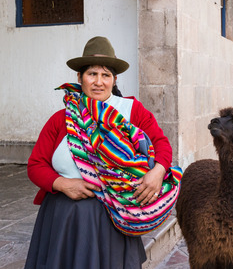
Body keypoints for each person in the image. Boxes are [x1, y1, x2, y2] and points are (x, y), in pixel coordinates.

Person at [25, 36, 174, 268]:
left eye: (106, 75)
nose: (98, 82)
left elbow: (162, 144)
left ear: (114, 80)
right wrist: (62, 184)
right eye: (91, 74)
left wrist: (158, 171)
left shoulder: (131, 111)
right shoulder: (61, 119)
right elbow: (36, 165)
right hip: (66, 220)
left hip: (113, 221)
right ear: (80, 78)